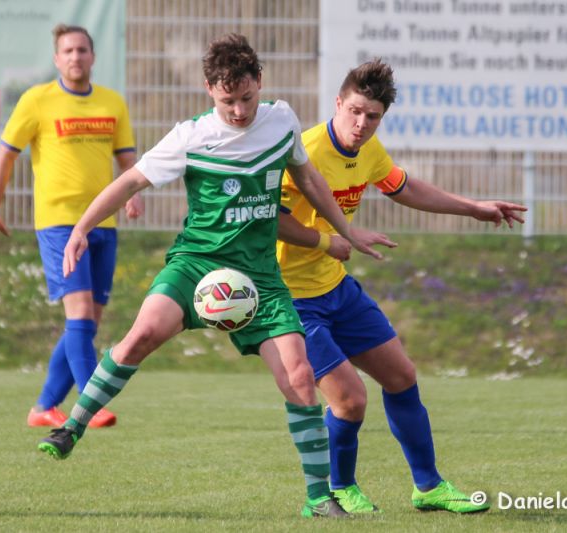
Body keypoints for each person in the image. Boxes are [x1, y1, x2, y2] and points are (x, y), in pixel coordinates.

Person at [36, 34, 394, 518]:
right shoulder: (191, 136)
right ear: (209, 90)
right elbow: (131, 180)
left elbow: (309, 179)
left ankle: (318, 498)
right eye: (228, 102)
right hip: (196, 264)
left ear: (259, 82)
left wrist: (345, 230)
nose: (239, 111)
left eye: (247, 98)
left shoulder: (281, 121)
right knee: (141, 334)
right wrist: (81, 227)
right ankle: (71, 426)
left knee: (299, 375)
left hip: (260, 276)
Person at [276, 59, 527, 514]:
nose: (361, 123)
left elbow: (404, 187)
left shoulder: (369, 150)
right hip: (292, 297)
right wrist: (329, 240)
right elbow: (268, 219)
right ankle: (337, 489)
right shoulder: (304, 152)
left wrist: (472, 208)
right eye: (354, 111)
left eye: (372, 116)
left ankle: (428, 487)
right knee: (350, 400)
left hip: (336, 287)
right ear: (338, 103)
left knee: (401, 377)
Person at [0, 24, 143, 429]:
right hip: (58, 224)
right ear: (56, 59)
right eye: (68, 51)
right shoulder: (37, 100)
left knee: (88, 322)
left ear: (93, 56)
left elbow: (127, 159)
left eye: (82, 50)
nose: (75, 57)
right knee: (81, 314)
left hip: (103, 222)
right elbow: (5, 157)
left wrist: (135, 193)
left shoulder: (112, 102)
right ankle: (90, 401)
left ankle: (44, 407)